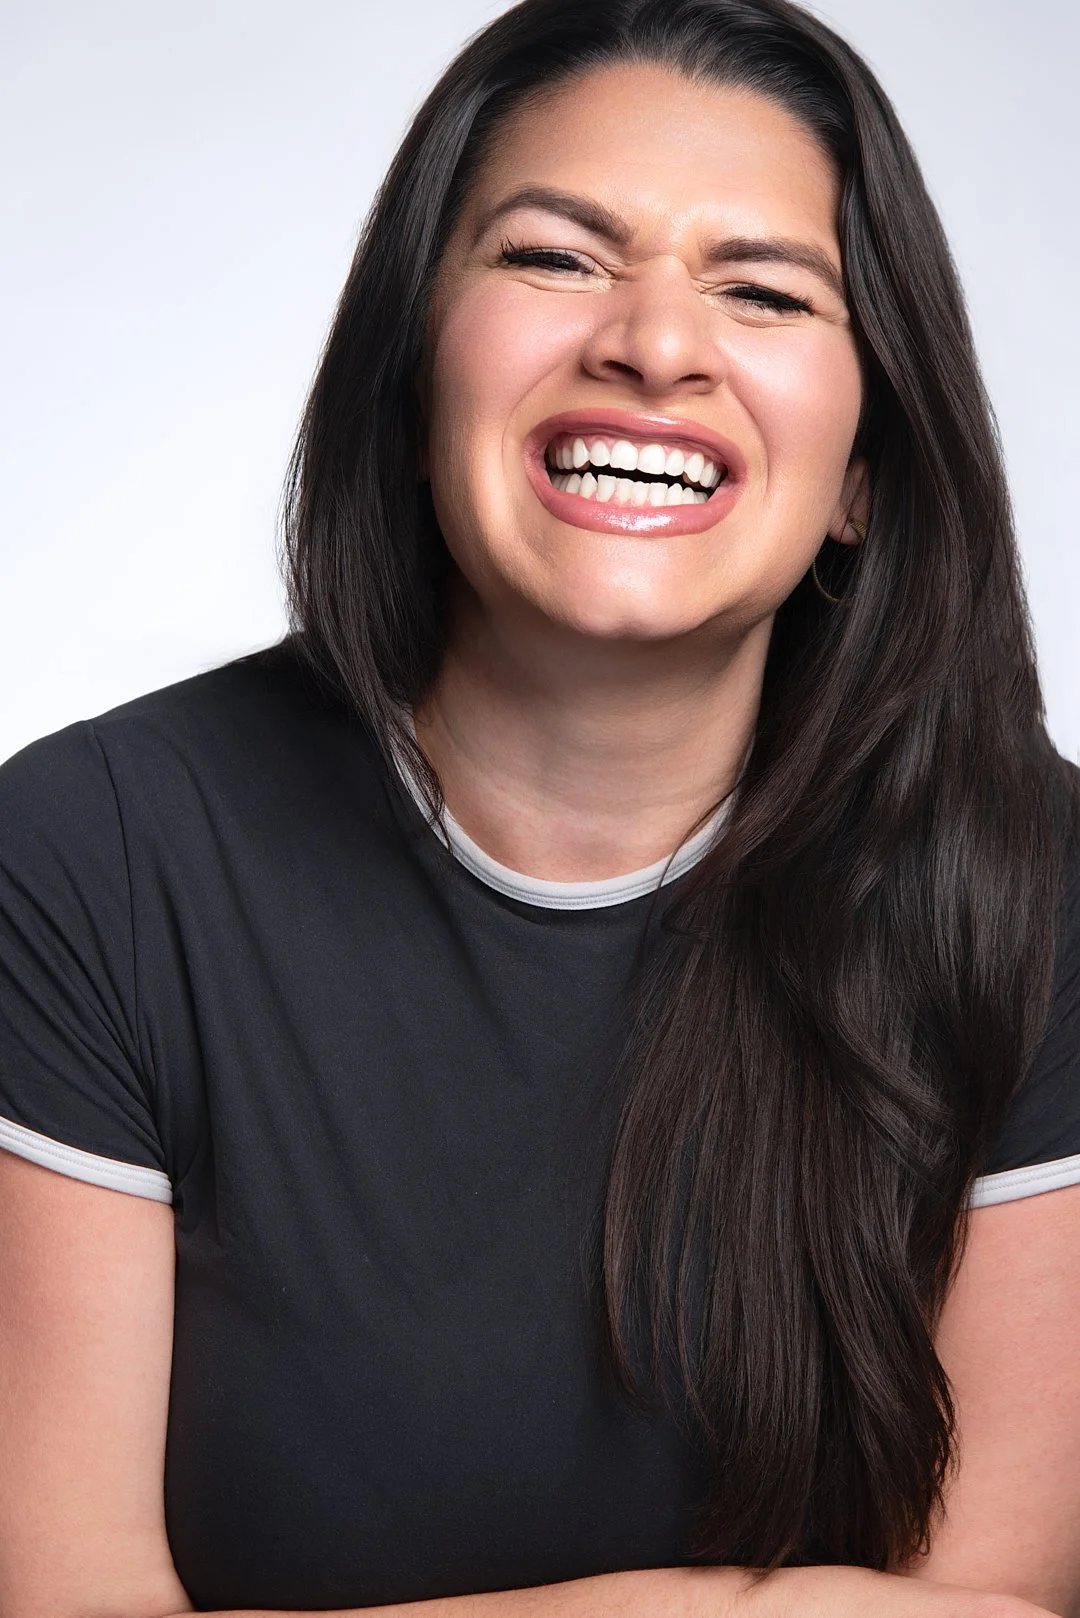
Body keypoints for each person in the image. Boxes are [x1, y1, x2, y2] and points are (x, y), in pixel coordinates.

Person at [1, 0, 1078, 1613]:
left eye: (765, 289)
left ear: (867, 470)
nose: (653, 342)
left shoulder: (1041, 884)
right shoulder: (88, 854)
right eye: (556, 259)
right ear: (411, 370)